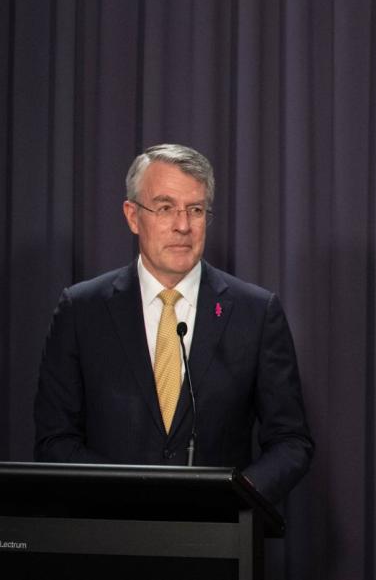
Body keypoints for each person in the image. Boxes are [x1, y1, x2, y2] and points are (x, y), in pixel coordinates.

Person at [34, 144, 314, 503]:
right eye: (165, 208)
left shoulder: (255, 313)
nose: (183, 226)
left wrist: (236, 497)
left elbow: (291, 441)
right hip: (108, 537)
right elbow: (54, 440)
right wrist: (128, 500)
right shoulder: (81, 310)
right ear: (133, 216)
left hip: (218, 540)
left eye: (195, 210)